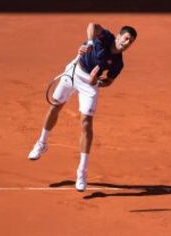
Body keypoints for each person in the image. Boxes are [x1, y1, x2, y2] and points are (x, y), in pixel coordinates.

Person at [28, 23, 137, 191]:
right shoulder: (105, 36)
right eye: (126, 38)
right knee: (55, 107)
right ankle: (41, 143)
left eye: (131, 42)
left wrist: (98, 82)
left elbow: (109, 81)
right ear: (118, 36)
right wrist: (89, 43)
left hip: (89, 86)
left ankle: (81, 171)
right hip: (74, 72)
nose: (127, 43)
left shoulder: (118, 63)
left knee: (86, 123)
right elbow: (92, 25)